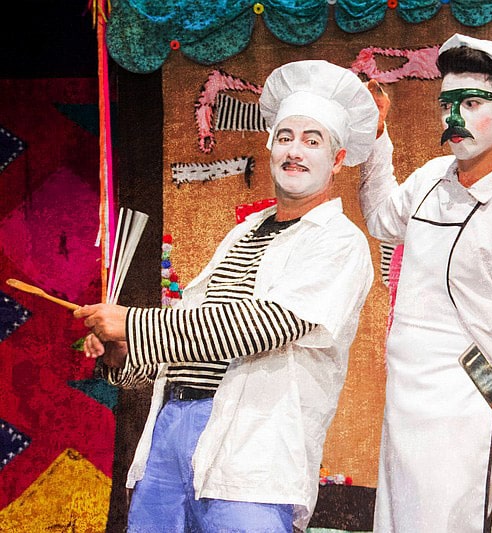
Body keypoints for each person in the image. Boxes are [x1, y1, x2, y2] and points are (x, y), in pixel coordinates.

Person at [74, 59, 377, 533]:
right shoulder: (244, 232)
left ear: (337, 159)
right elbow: (193, 336)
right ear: (270, 146)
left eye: (312, 141)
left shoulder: (338, 241)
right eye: (285, 137)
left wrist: (132, 323)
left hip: (253, 444)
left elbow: (266, 325)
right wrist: (123, 353)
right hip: (172, 430)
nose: (295, 151)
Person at [359, 34, 492, 532]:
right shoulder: (433, 176)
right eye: (447, 105)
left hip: (465, 414)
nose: (454, 118)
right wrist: (377, 136)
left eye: (472, 103)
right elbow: (381, 219)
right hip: (403, 403)